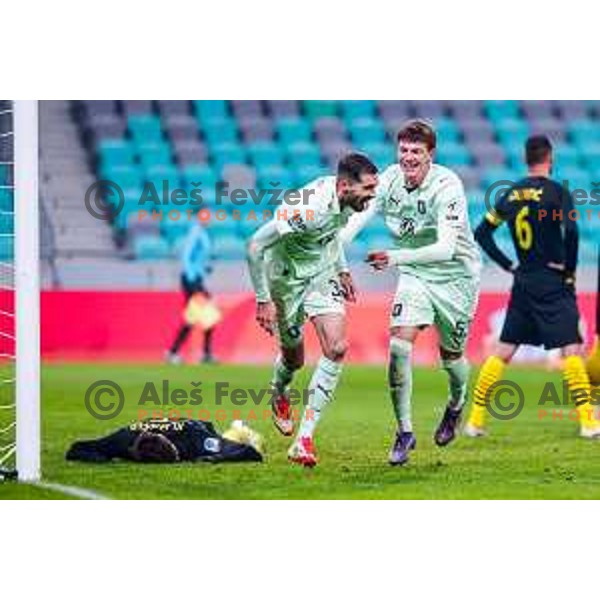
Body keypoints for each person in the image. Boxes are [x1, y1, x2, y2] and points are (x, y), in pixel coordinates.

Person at [341, 120, 481, 465]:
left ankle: (456, 403)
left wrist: (394, 256)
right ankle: (404, 431)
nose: (408, 157)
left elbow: (447, 248)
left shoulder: (447, 185)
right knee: (399, 345)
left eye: (416, 151)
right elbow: (357, 219)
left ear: (430, 155)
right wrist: (336, 250)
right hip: (414, 274)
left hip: (456, 277)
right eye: (403, 150)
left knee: (452, 359)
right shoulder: (388, 179)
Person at [246, 153, 378, 467]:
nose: (372, 196)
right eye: (369, 189)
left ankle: (303, 439)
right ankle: (279, 391)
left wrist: (343, 269)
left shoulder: (347, 202)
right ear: (345, 185)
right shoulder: (305, 208)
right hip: (287, 280)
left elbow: (330, 237)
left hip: (321, 275)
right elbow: (255, 245)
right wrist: (263, 299)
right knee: (295, 358)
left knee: (337, 347)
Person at [464, 134, 600, 438]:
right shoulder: (557, 193)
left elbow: (482, 233)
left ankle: (474, 420)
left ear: (527, 159)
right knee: (571, 349)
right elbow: (573, 233)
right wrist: (569, 271)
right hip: (553, 281)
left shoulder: (511, 194)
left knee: (503, 351)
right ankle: (589, 423)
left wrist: (508, 265)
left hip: (523, 279)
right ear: (549, 158)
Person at [166, 222, 217, 364]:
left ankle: (203, 353)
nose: (208, 216)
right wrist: (192, 281)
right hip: (192, 281)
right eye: (204, 213)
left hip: (197, 279)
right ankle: (173, 352)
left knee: (205, 316)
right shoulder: (196, 231)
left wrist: (205, 268)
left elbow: (198, 257)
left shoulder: (203, 232)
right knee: (199, 316)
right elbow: (187, 256)